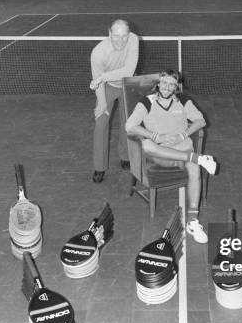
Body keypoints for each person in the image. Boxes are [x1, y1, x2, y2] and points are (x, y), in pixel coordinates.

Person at [125, 70, 218, 244]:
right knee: (146, 145)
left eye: (172, 84)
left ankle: (193, 221)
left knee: (194, 168)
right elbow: (129, 125)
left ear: (176, 87)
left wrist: (183, 135)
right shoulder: (147, 102)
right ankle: (197, 158)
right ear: (158, 84)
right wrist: (155, 136)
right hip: (161, 153)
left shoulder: (183, 101)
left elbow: (200, 121)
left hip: (183, 149)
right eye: (164, 83)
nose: (167, 87)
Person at [90, 19, 139, 183]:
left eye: (124, 36)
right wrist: (102, 104)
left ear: (129, 34)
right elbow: (98, 85)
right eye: (116, 36)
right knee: (100, 122)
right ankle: (99, 167)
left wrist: (102, 76)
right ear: (109, 34)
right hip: (107, 87)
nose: (121, 40)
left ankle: (125, 157)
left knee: (128, 122)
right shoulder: (98, 53)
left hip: (127, 84)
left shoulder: (133, 40)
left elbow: (129, 70)